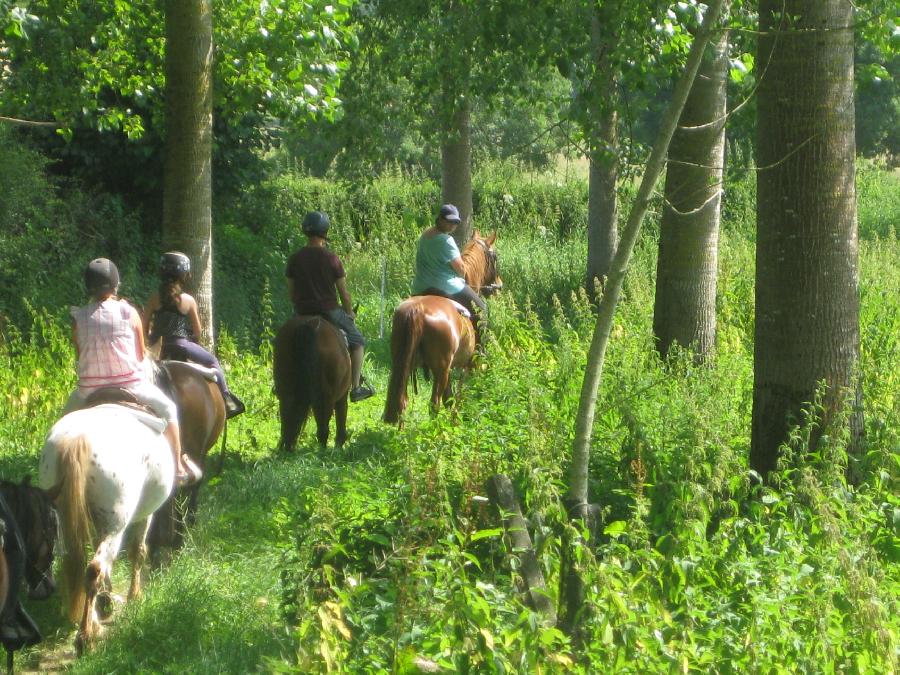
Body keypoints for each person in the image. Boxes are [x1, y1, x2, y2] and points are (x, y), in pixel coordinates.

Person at [64, 258, 200, 486]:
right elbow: (139, 354)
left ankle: (57, 471)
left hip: (88, 391)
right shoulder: (129, 313)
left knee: (63, 424)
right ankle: (176, 467)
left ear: (88, 286)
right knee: (169, 409)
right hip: (130, 386)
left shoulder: (78, 318)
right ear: (115, 284)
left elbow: (80, 355)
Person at [142, 251, 245, 419]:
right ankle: (226, 398)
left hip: (158, 348)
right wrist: (192, 340)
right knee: (213, 362)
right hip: (182, 345)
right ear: (185, 276)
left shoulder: (154, 299)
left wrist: (151, 340)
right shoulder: (188, 300)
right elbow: (197, 331)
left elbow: (144, 325)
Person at [285, 211, 374, 403]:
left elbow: (291, 294)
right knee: (358, 341)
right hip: (329, 311)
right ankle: (356, 387)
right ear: (325, 231)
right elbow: (343, 293)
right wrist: (349, 312)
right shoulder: (332, 259)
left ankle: (281, 383)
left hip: (301, 311)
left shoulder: (295, 259)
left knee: (285, 342)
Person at [411, 203, 487, 325]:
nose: (452, 225)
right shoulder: (446, 240)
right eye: (449, 221)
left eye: (455, 222)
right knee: (483, 310)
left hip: (420, 286)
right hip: (446, 287)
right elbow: (461, 268)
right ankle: (484, 343)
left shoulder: (424, 235)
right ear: (440, 219)